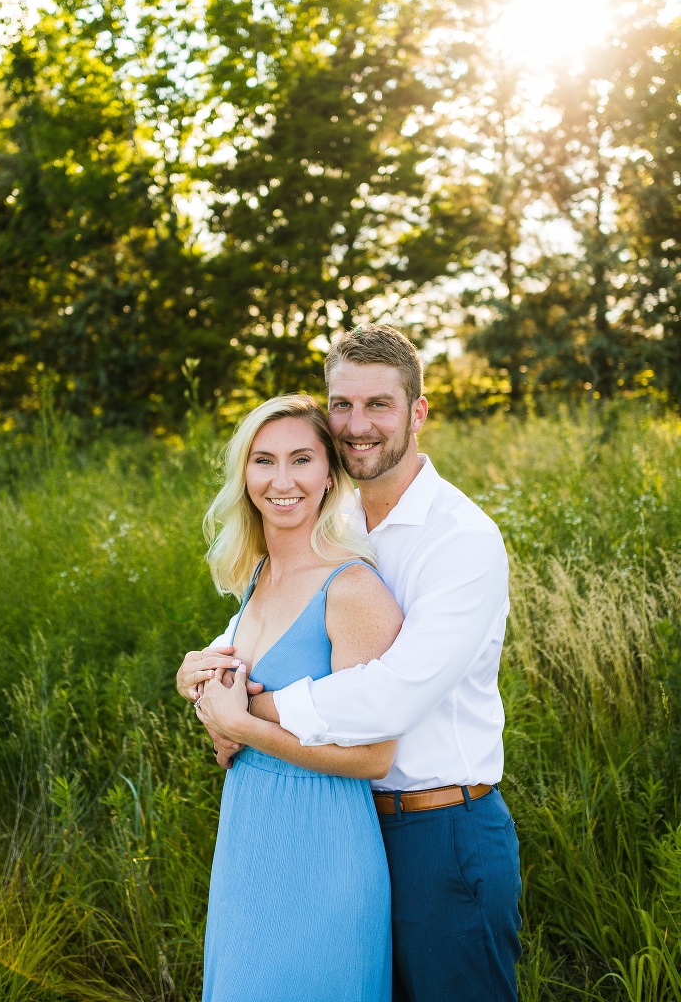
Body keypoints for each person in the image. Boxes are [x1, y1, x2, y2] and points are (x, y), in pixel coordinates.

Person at [188, 326, 523, 1002]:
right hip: (344, 822)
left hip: (440, 831)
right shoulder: (328, 516)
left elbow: (390, 698)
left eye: (379, 405)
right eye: (342, 405)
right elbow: (267, 631)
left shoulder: (461, 540)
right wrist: (199, 674)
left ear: (417, 412)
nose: (357, 425)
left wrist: (246, 712)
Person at [176, 393, 404, 1002]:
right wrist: (195, 679)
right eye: (263, 460)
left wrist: (243, 727)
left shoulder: (352, 589)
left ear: (330, 473)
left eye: (301, 459)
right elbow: (231, 690)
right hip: (249, 840)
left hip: (323, 849)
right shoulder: (258, 577)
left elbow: (375, 757)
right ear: (243, 474)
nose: (281, 480)